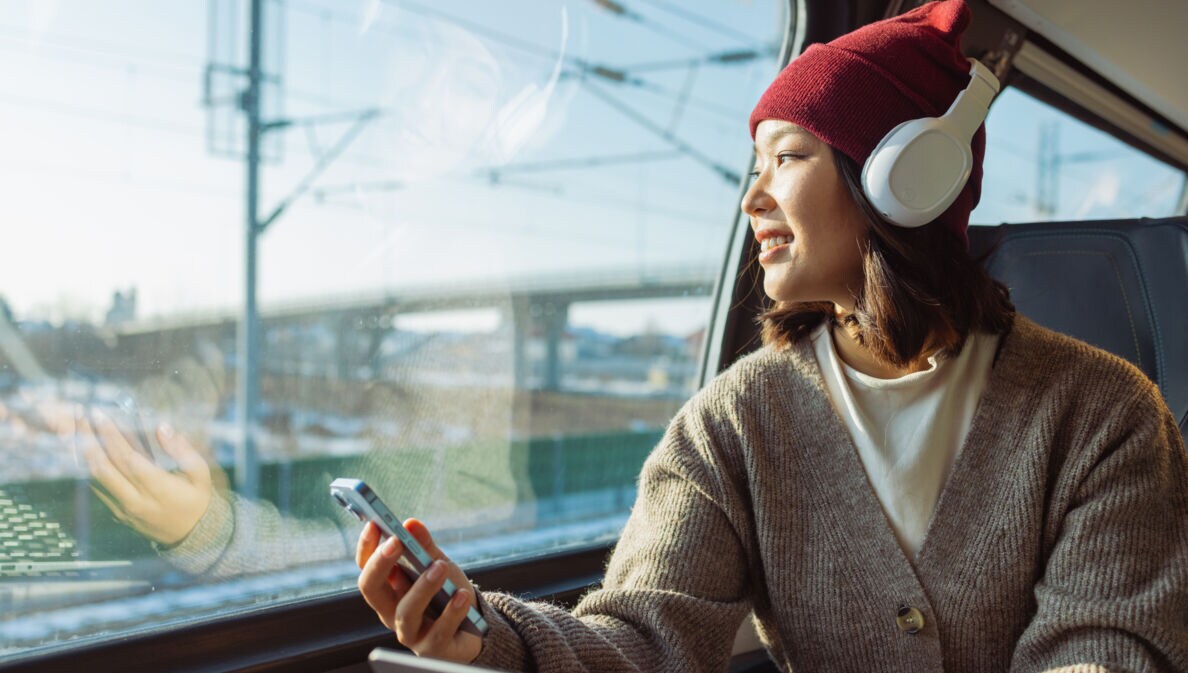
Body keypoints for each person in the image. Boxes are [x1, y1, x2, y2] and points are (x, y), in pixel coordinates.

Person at [353, 1, 1188, 671]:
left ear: (905, 176)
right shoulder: (731, 423)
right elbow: (647, 639)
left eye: (786, 158)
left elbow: (1107, 651)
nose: (751, 200)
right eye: (754, 168)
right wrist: (489, 634)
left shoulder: (1105, 413)